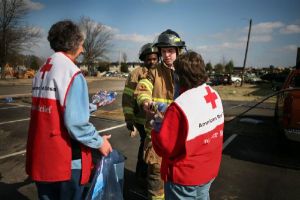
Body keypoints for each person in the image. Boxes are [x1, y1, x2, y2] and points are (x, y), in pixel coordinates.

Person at [25, 20, 112, 200]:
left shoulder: (43, 69)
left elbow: (55, 108)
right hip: (66, 160)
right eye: (81, 44)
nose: (82, 48)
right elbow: (76, 124)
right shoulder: (72, 73)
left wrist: (91, 106)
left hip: (42, 154)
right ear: (73, 44)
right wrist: (99, 142)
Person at [151, 51, 224, 200]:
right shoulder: (213, 94)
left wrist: (157, 127)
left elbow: (166, 148)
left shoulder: (179, 106)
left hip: (184, 178)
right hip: (208, 170)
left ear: (180, 76)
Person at [135, 29, 186, 200]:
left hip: (180, 138)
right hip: (157, 136)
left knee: (177, 181)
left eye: (171, 51)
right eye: (164, 51)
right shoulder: (153, 72)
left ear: (178, 52)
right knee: (156, 180)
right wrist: (145, 102)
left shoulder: (185, 74)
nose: (167, 55)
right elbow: (143, 88)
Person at [122, 43, 159, 179]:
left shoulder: (161, 72)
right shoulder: (136, 74)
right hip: (141, 119)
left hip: (156, 119)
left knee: (155, 148)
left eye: (155, 59)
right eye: (149, 59)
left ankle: (151, 176)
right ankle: (141, 177)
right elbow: (127, 98)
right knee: (146, 146)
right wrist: (129, 118)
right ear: (144, 59)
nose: (152, 61)